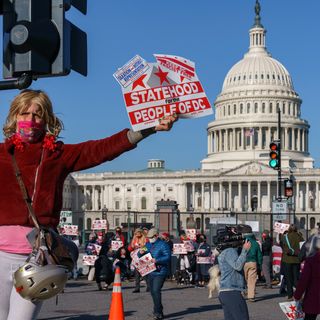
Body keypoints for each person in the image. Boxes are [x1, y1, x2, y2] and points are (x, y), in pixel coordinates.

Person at [0, 89, 177, 320]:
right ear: (14, 117)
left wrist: (149, 128)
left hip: (37, 258)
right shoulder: (2, 154)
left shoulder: (57, 155)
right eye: (24, 114)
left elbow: (100, 150)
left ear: (47, 120)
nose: (30, 120)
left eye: (37, 115)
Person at [215, 227, 252, 320]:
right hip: (231, 291)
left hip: (226, 292)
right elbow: (237, 266)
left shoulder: (224, 252)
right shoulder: (229, 251)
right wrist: (245, 250)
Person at [139, 228, 171, 320]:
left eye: (151, 237)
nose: (149, 239)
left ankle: (158, 312)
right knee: (153, 292)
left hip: (160, 271)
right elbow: (141, 253)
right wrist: (140, 253)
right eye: (148, 237)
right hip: (150, 271)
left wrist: (157, 260)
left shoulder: (163, 245)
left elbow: (167, 257)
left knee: (156, 290)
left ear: (156, 236)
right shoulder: (148, 244)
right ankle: (158, 309)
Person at [294, 235, 320, 320]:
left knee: (310, 317)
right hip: (314, 295)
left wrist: (297, 295)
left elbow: (303, 281)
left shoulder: (311, 261)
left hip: (313, 296)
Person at [281, 224, 304, 300]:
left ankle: (290, 295)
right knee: (296, 278)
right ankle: (298, 295)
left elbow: (282, 246)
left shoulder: (285, 237)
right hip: (297, 260)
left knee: (288, 278)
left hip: (287, 259)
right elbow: (302, 247)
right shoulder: (300, 237)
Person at [128, 228, 149, 293]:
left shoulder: (145, 239)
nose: (137, 234)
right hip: (136, 258)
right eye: (136, 233)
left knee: (144, 272)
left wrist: (143, 248)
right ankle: (137, 288)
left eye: (138, 233)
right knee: (136, 273)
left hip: (143, 257)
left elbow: (148, 246)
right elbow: (129, 248)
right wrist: (132, 247)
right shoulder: (134, 239)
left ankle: (149, 286)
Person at [243, 232, 262, 302]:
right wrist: (260, 264)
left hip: (244, 262)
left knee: (245, 278)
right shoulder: (256, 243)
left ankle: (245, 292)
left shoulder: (243, 243)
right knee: (252, 280)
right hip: (253, 262)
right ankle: (251, 296)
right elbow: (259, 255)